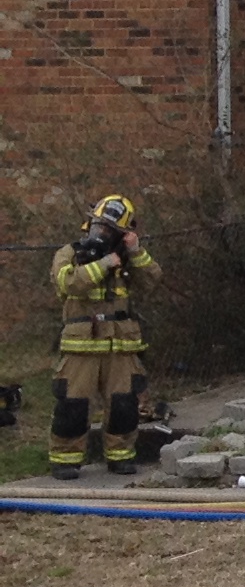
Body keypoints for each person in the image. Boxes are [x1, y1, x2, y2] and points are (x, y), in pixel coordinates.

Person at [49, 192, 157, 479]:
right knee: (73, 405)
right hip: (80, 347)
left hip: (120, 347)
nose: (102, 234)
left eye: (110, 230)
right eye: (99, 227)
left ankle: (120, 457)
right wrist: (104, 264)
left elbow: (152, 280)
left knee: (123, 405)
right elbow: (69, 283)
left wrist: (135, 252)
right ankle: (65, 460)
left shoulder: (127, 259)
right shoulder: (69, 254)